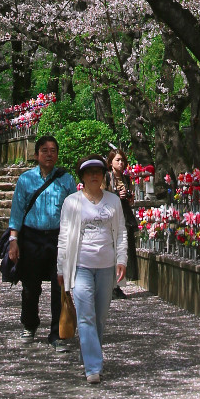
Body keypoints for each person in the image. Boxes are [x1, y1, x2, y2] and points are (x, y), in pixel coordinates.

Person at [56, 155, 128, 383]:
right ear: (83, 177)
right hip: (81, 266)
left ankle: (88, 353)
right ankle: (93, 366)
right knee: (86, 316)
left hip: (106, 266)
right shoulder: (72, 202)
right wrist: (61, 268)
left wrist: (122, 259)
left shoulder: (113, 201)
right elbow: (64, 236)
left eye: (98, 171)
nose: (94, 176)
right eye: (89, 173)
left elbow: (121, 231)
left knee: (100, 318)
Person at [6, 134, 77, 342]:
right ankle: (29, 324)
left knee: (59, 286)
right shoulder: (26, 179)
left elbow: (74, 211)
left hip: (58, 239)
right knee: (30, 287)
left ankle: (57, 332)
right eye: (44, 151)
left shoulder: (66, 179)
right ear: (36, 155)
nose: (49, 154)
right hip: (31, 239)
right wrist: (13, 240)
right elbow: (17, 212)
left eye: (53, 151)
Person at [107, 146, 138, 296]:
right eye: (118, 160)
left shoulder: (126, 179)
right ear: (111, 162)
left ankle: (118, 283)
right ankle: (111, 285)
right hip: (111, 215)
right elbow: (103, 196)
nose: (121, 163)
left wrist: (129, 197)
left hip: (125, 214)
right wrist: (115, 194)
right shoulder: (107, 177)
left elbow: (131, 201)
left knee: (123, 248)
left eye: (123, 161)